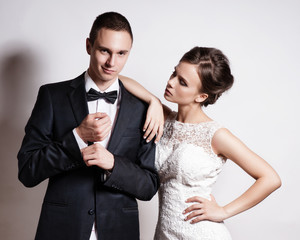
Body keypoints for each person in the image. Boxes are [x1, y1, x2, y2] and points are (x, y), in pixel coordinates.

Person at [17, 12, 159, 240]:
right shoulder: (52, 97)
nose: (112, 62)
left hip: (119, 231)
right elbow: (27, 172)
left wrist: (113, 164)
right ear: (89, 46)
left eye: (121, 53)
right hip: (61, 229)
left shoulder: (144, 110)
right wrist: (76, 137)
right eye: (105, 50)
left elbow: (149, 186)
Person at [120, 46, 281, 239]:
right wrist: (152, 100)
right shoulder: (163, 118)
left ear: (201, 96)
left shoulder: (216, 134)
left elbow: (270, 179)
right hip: (165, 233)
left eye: (182, 82)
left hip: (201, 233)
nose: (170, 82)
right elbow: (118, 79)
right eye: (174, 73)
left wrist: (224, 211)